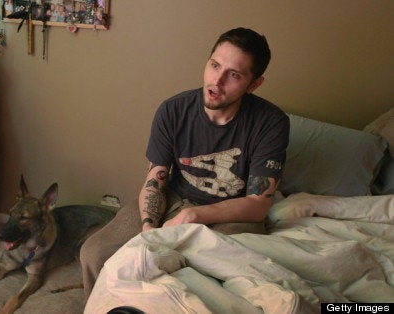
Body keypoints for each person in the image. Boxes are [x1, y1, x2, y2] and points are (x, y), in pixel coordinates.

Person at [79, 27, 290, 298]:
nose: (217, 80)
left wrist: (194, 216)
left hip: (230, 212)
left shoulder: (271, 123)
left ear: (254, 84)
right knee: (94, 254)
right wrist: (148, 234)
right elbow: (155, 181)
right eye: (214, 65)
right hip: (173, 198)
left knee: (205, 279)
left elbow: (258, 204)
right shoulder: (173, 110)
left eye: (234, 74)